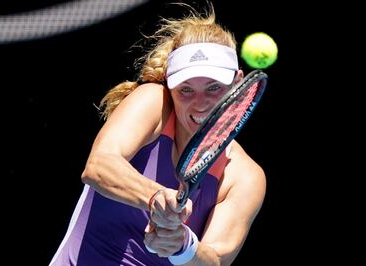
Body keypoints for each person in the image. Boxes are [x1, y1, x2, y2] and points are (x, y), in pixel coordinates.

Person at [49, 2, 266, 265]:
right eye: (186, 89)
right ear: (170, 86)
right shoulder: (153, 101)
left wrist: (184, 245)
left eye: (213, 87)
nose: (200, 103)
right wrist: (156, 197)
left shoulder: (245, 176)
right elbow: (98, 166)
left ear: (237, 83)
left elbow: (216, 259)